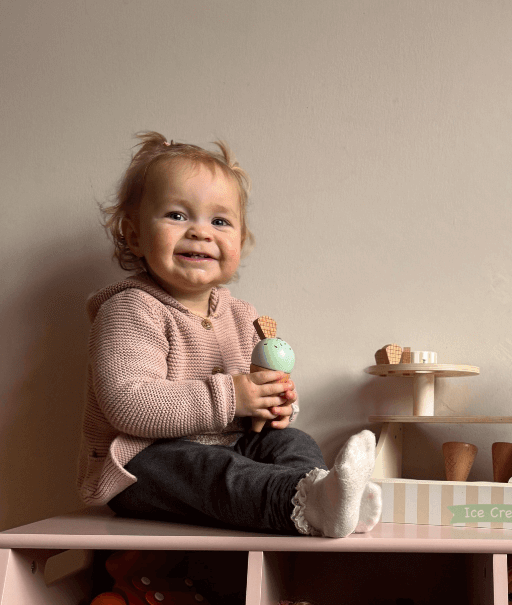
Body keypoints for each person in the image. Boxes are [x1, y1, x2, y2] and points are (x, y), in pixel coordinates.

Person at [78, 131, 381, 537]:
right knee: (214, 469)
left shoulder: (241, 316)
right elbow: (128, 404)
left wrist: (271, 405)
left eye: (219, 221)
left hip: (230, 448)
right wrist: (233, 396)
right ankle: (306, 503)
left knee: (293, 442)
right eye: (177, 216)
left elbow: (248, 400)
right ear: (135, 236)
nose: (201, 232)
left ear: (240, 240)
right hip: (143, 466)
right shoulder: (130, 309)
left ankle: (323, 495)